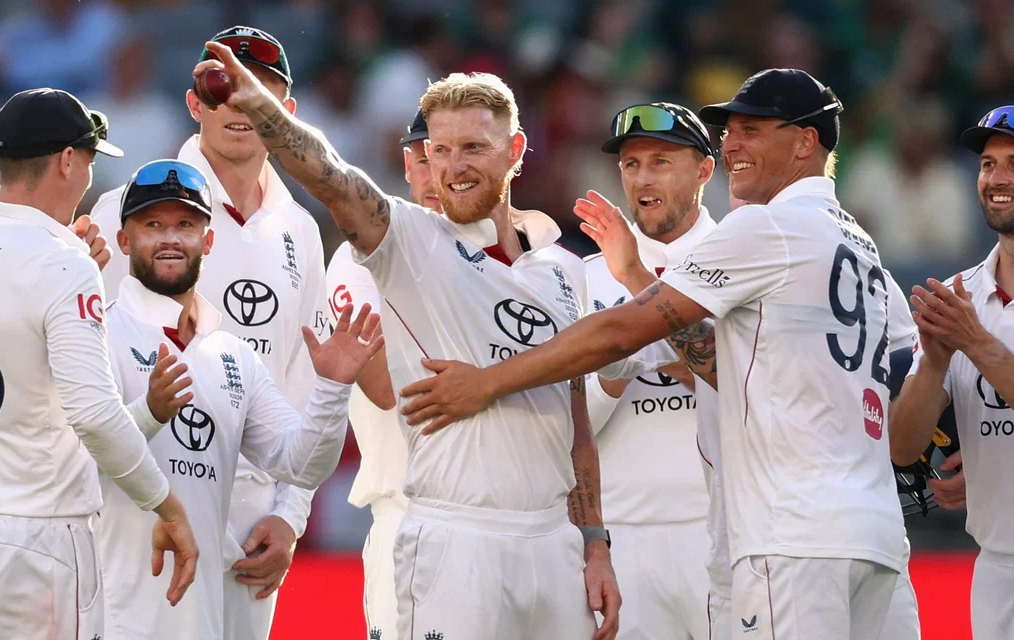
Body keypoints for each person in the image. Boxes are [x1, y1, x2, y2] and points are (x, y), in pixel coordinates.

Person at [398, 68, 912, 640]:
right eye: (729, 130)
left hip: (789, 529)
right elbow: (750, 371)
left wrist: (488, 382)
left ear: (805, 141)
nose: (733, 142)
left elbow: (621, 332)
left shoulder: (766, 228)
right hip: (871, 529)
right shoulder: (858, 244)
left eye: (751, 129)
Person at [195, 42, 678, 639]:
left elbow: (576, 423)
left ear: (516, 152)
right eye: (439, 151)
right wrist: (269, 115)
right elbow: (335, 180)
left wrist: (595, 542)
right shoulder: (413, 244)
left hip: (554, 542)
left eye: (474, 147)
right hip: (454, 537)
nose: (453, 167)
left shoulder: (561, 269)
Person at [90, 26, 331, 639]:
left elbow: (307, 379)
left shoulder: (300, 229)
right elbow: (84, 370)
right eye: (223, 88)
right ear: (195, 103)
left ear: (287, 114)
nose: (242, 105)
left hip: (253, 511)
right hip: (140, 496)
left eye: (261, 91)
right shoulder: (127, 210)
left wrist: (290, 516)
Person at [96, 159, 381, 639]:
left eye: (185, 224)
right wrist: (149, 413)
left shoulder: (233, 355)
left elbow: (300, 463)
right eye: (153, 225)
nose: (170, 238)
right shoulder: (98, 334)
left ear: (208, 241)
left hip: (208, 615)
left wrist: (333, 388)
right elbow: (77, 458)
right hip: (116, 612)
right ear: (125, 240)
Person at [0, 88, 198, 638]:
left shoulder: (62, 259)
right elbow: (95, 416)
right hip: (37, 541)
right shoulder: (63, 265)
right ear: (66, 161)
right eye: (88, 158)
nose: (89, 174)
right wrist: (168, 506)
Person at [581, 102, 717, 640]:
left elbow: (752, 389)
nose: (642, 179)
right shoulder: (586, 277)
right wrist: (612, 374)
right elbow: (569, 426)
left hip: (725, 531)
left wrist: (650, 321)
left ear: (705, 170)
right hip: (625, 542)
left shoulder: (744, 261)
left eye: (661, 161)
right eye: (631, 165)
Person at [890, 105, 1014, 640]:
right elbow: (902, 446)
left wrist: (973, 342)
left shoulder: (965, 320)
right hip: (997, 563)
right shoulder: (961, 296)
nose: (997, 178)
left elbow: (982, 349)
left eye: (1013, 162)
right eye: (988, 164)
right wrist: (935, 362)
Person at [324, 108, 438, 640]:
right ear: (407, 167)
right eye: (425, 156)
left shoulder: (530, 260)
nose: (440, 171)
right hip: (409, 512)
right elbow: (387, 388)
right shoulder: (358, 258)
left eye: (459, 152)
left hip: (518, 520)